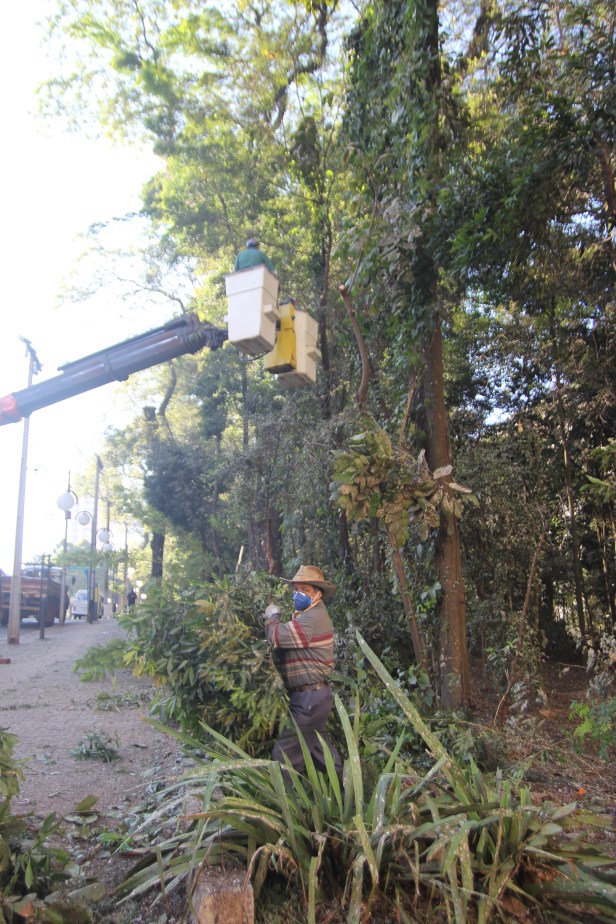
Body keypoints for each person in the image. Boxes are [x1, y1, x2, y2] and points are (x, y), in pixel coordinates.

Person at [262, 565, 343, 782]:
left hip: (309, 699)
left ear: (317, 593)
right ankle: (350, 798)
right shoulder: (305, 616)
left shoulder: (312, 617)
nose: (299, 594)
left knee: (284, 756)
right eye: (297, 589)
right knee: (319, 751)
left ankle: (285, 809)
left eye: (305, 589)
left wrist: (272, 617)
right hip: (314, 698)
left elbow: (278, 637)